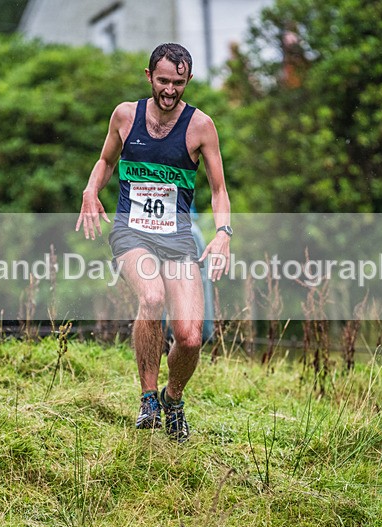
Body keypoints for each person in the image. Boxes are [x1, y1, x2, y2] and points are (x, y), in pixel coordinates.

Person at [76, 43, 231, 442]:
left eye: (178, 83)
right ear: (149, 76)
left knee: (191, 335)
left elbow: (218, 190)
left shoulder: (201, 127)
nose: (169, 90)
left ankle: (172, 398)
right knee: (151, 297)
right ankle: (147, 397)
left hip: (177, 236)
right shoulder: (126, 115)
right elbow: (107, 161)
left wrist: (223, 234)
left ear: (188, 81)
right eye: (163, 80)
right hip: (132, 230)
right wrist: (91, 191)